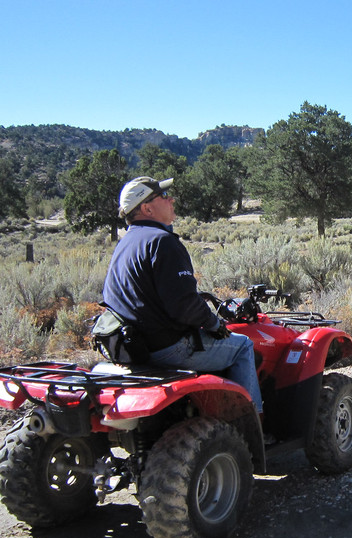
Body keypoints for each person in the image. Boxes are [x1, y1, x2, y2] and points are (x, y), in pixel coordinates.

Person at [102, 176, 263, 413]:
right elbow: (184, 304)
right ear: (147, 208)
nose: (171, 200)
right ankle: (251, 421)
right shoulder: (162, 241)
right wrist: (213, 323)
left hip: (132, 344)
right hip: (165, 347)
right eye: (163, 197)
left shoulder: (127, 243)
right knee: (242, 346)